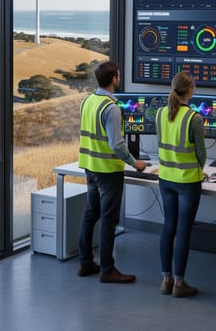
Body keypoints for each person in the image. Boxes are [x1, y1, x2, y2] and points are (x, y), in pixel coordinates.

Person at [77, 61, 147, 283]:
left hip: (90, 167)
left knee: (91, 215)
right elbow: (117, 144)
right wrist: (134, 163)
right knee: (108, 220)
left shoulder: (88, 101)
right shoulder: (112, 108)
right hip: (108, 170)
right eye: (119, 75)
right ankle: (107, 269)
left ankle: (85, 262)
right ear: (115, 78)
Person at [156, 71, 206, 297]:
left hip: (166, 178)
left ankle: (165, 279)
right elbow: (201, 155)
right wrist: (200, 171)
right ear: (191, 89)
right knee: (184, 232)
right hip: (187, 182)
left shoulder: (159, 114)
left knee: (168, 228)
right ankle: (179, 283)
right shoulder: (194, 118)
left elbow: (160, 143)